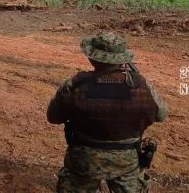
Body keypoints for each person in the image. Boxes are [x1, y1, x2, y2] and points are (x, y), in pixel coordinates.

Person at [47, 32, 168, 193]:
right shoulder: (141, 85)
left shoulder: (75, 83)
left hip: (84, 159)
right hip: (127, 160)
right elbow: (161, 115)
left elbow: (53, 117)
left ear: (91, 58)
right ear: (122, 59)